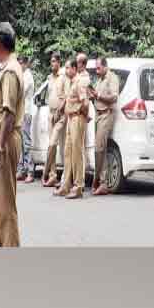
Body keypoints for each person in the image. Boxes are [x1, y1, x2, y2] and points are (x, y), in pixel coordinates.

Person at [0, 22, 25, 247]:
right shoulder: (4, 69)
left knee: (5, 206)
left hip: (4, 141)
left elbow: (8, 114)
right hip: (0, 139)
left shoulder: (10, 71)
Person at [54, 53, 90, 199]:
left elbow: (85, 102)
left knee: (77, 152)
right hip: (70, 118)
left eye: (68, 68)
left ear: (75, 69)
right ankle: (66, 185)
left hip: (77, 118)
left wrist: (82, 115)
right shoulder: (71, 82)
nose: (66, 70)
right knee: (68, 152)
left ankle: (78, 185)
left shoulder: (80, 82)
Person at [88, 56, 119, 195]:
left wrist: (98, 96)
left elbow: (114, 97)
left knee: (99, 148)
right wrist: (92, 95)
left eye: (98, 68)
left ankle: (102, 182)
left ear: (105, 66)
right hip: (98, 114)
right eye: (96, 68)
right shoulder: (99, 79)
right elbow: (96, 96)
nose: (97, 70)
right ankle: (100, 180)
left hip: (107, 114)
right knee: (100, 148)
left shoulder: (112, 78)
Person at [42, 52, 66, 188]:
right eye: (51, 62)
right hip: (50, 114)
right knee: (51, 145)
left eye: (54, 61)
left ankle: (48, 173)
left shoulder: (63, 77)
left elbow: (65, 96)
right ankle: (52, 175)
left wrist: (59, 111)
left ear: (59, 63)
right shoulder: (49, 78)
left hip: (60, 115)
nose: (52, 64)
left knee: (54, 143)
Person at [16, 56, 36, 183]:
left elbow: (20, 93)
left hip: (26, 112)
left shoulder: (27, 76)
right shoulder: (21, 75)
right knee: (20, 143)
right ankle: (21, 170)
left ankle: (30, 171)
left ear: (26, 64)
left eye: (21, 63)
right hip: (19, 113)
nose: (19, 65)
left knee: (26, 143)